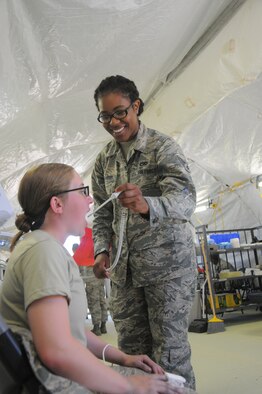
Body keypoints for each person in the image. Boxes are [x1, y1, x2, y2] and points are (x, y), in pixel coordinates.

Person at [0, 163, 181, 394]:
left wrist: (121, 357)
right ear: (57, 204)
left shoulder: (43, 247)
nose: (90, 201)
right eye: (82, 191)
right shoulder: (43, 252)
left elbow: (69, 328)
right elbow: (56, 351)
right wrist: (128, 386)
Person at [92, 75, 197, 390]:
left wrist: (146, 204)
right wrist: (101, 250)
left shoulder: (162, 148)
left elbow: (185, 200)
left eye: (120, 112)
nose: (114, 122)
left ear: (136, 106)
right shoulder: (103, 161)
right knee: (132, 356)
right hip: (125, 275)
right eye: (105, 116)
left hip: (168, 272)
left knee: (170, 356)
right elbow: (101, 214)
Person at [73, 225, 108, 336]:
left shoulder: (81, 254)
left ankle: (96, 327)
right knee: (101, 300)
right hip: (100, 279)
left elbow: (77, 272)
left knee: (94, 303)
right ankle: (103, 326)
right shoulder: (94, 251)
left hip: (91, 281)